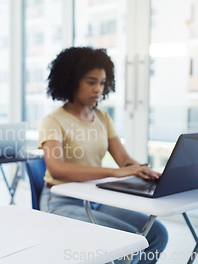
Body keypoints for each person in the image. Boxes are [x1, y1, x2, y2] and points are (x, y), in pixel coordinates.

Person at [38, 47, 167, 263]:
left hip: (94, 198)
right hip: (60, 201)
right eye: (91, 82)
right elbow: (56, 168)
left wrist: (148, 172)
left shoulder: (102, 117)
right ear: (71, 81)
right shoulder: (53, 120)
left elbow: (124, 160)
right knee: (130, 243)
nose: (98, 89)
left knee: (156, 234)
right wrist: (116, 173)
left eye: (102, 83)